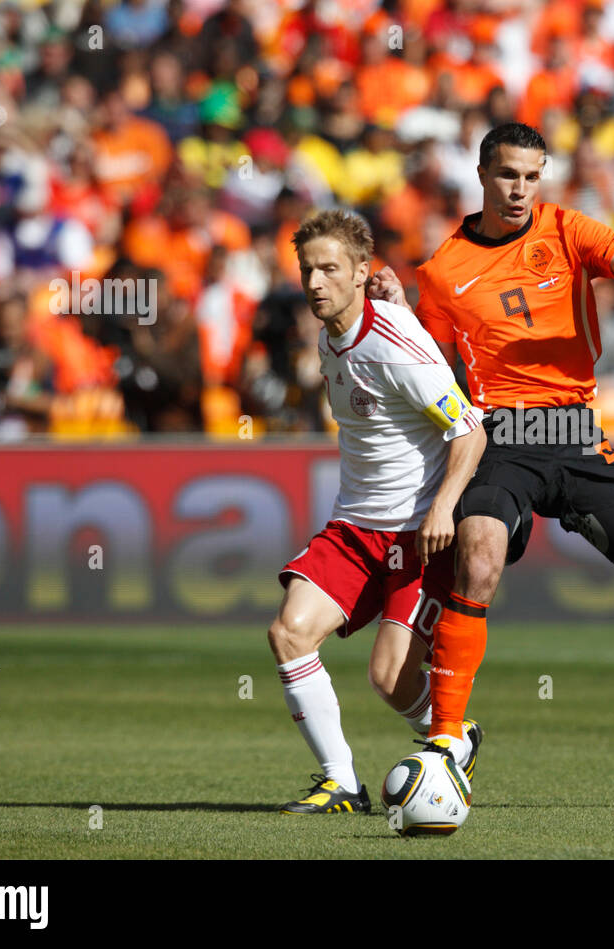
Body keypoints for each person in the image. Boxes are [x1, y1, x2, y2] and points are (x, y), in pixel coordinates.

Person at [371, 123, 614, 807]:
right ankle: (447, 737)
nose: (520, 190)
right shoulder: (443, 271)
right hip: (500, 434)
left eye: (532, 176)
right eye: (508, 174)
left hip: (574, 431)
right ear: (481, 172)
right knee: (478, 557)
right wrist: (394, 309)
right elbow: (427, 362)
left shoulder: (567, 230)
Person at [267, 210, 487, 815]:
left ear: (363, 272)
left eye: (330, 269)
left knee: (390, 680)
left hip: (418, 535)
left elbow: (469, 431)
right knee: (289, 632)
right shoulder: (327, 335)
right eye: (308, 269)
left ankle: (453, 735)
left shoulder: (395, 344)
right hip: (352, 526)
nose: (315, 282)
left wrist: (444, 508)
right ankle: (341, 782)